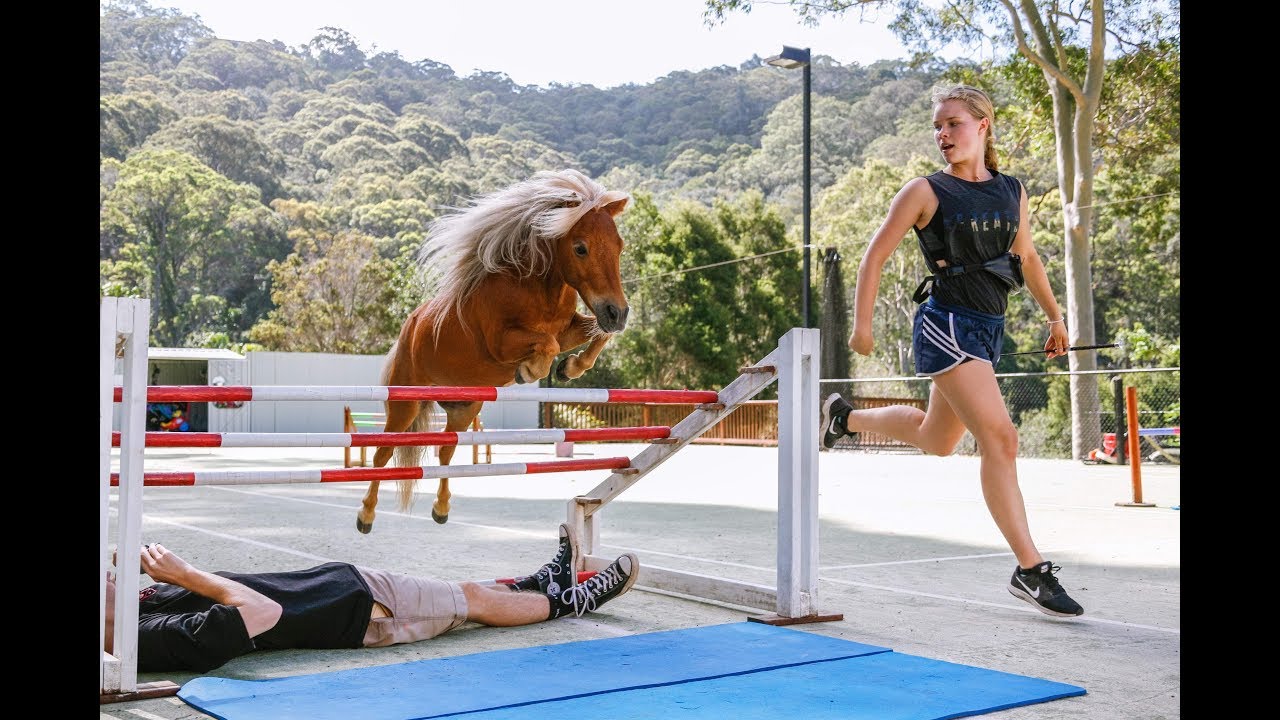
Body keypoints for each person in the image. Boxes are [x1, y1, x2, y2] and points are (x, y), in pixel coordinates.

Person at [819, 84, 1083, 618]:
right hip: (947, 323)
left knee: (937, 440)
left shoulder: (1012, 190)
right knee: (1001, 438)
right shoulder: (925, 191)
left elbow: (1027, 258)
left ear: (983, 125)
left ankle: (845, 420)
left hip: (989, 328)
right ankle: (1030, 569)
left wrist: (1056, 317)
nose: (943, 134)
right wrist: (862, 327)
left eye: (953, 123)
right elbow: (874, 257)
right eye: (938, 126)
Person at [104, 524, 639, 672]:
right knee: (470, 600)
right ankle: (570, 601)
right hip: (362, 615)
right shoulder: (154, 639)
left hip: (346, 585)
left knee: (463, 593)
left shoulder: (141, 608)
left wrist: (155, 576)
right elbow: (263, 612)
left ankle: (538, 583)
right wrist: (187, 572)